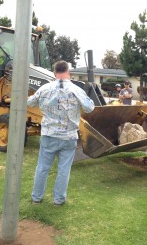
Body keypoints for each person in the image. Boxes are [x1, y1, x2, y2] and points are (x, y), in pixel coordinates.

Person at [27, 60, 95, 206]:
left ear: (54, 73)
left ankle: (36, 199)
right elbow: (90, 108)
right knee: (64, 169)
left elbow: (30, 103)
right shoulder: (76, 90)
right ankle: (58, 201)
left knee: (42, 168)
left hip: (48, 135)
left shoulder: (44, 88)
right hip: (69, 137)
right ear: (68, 72)